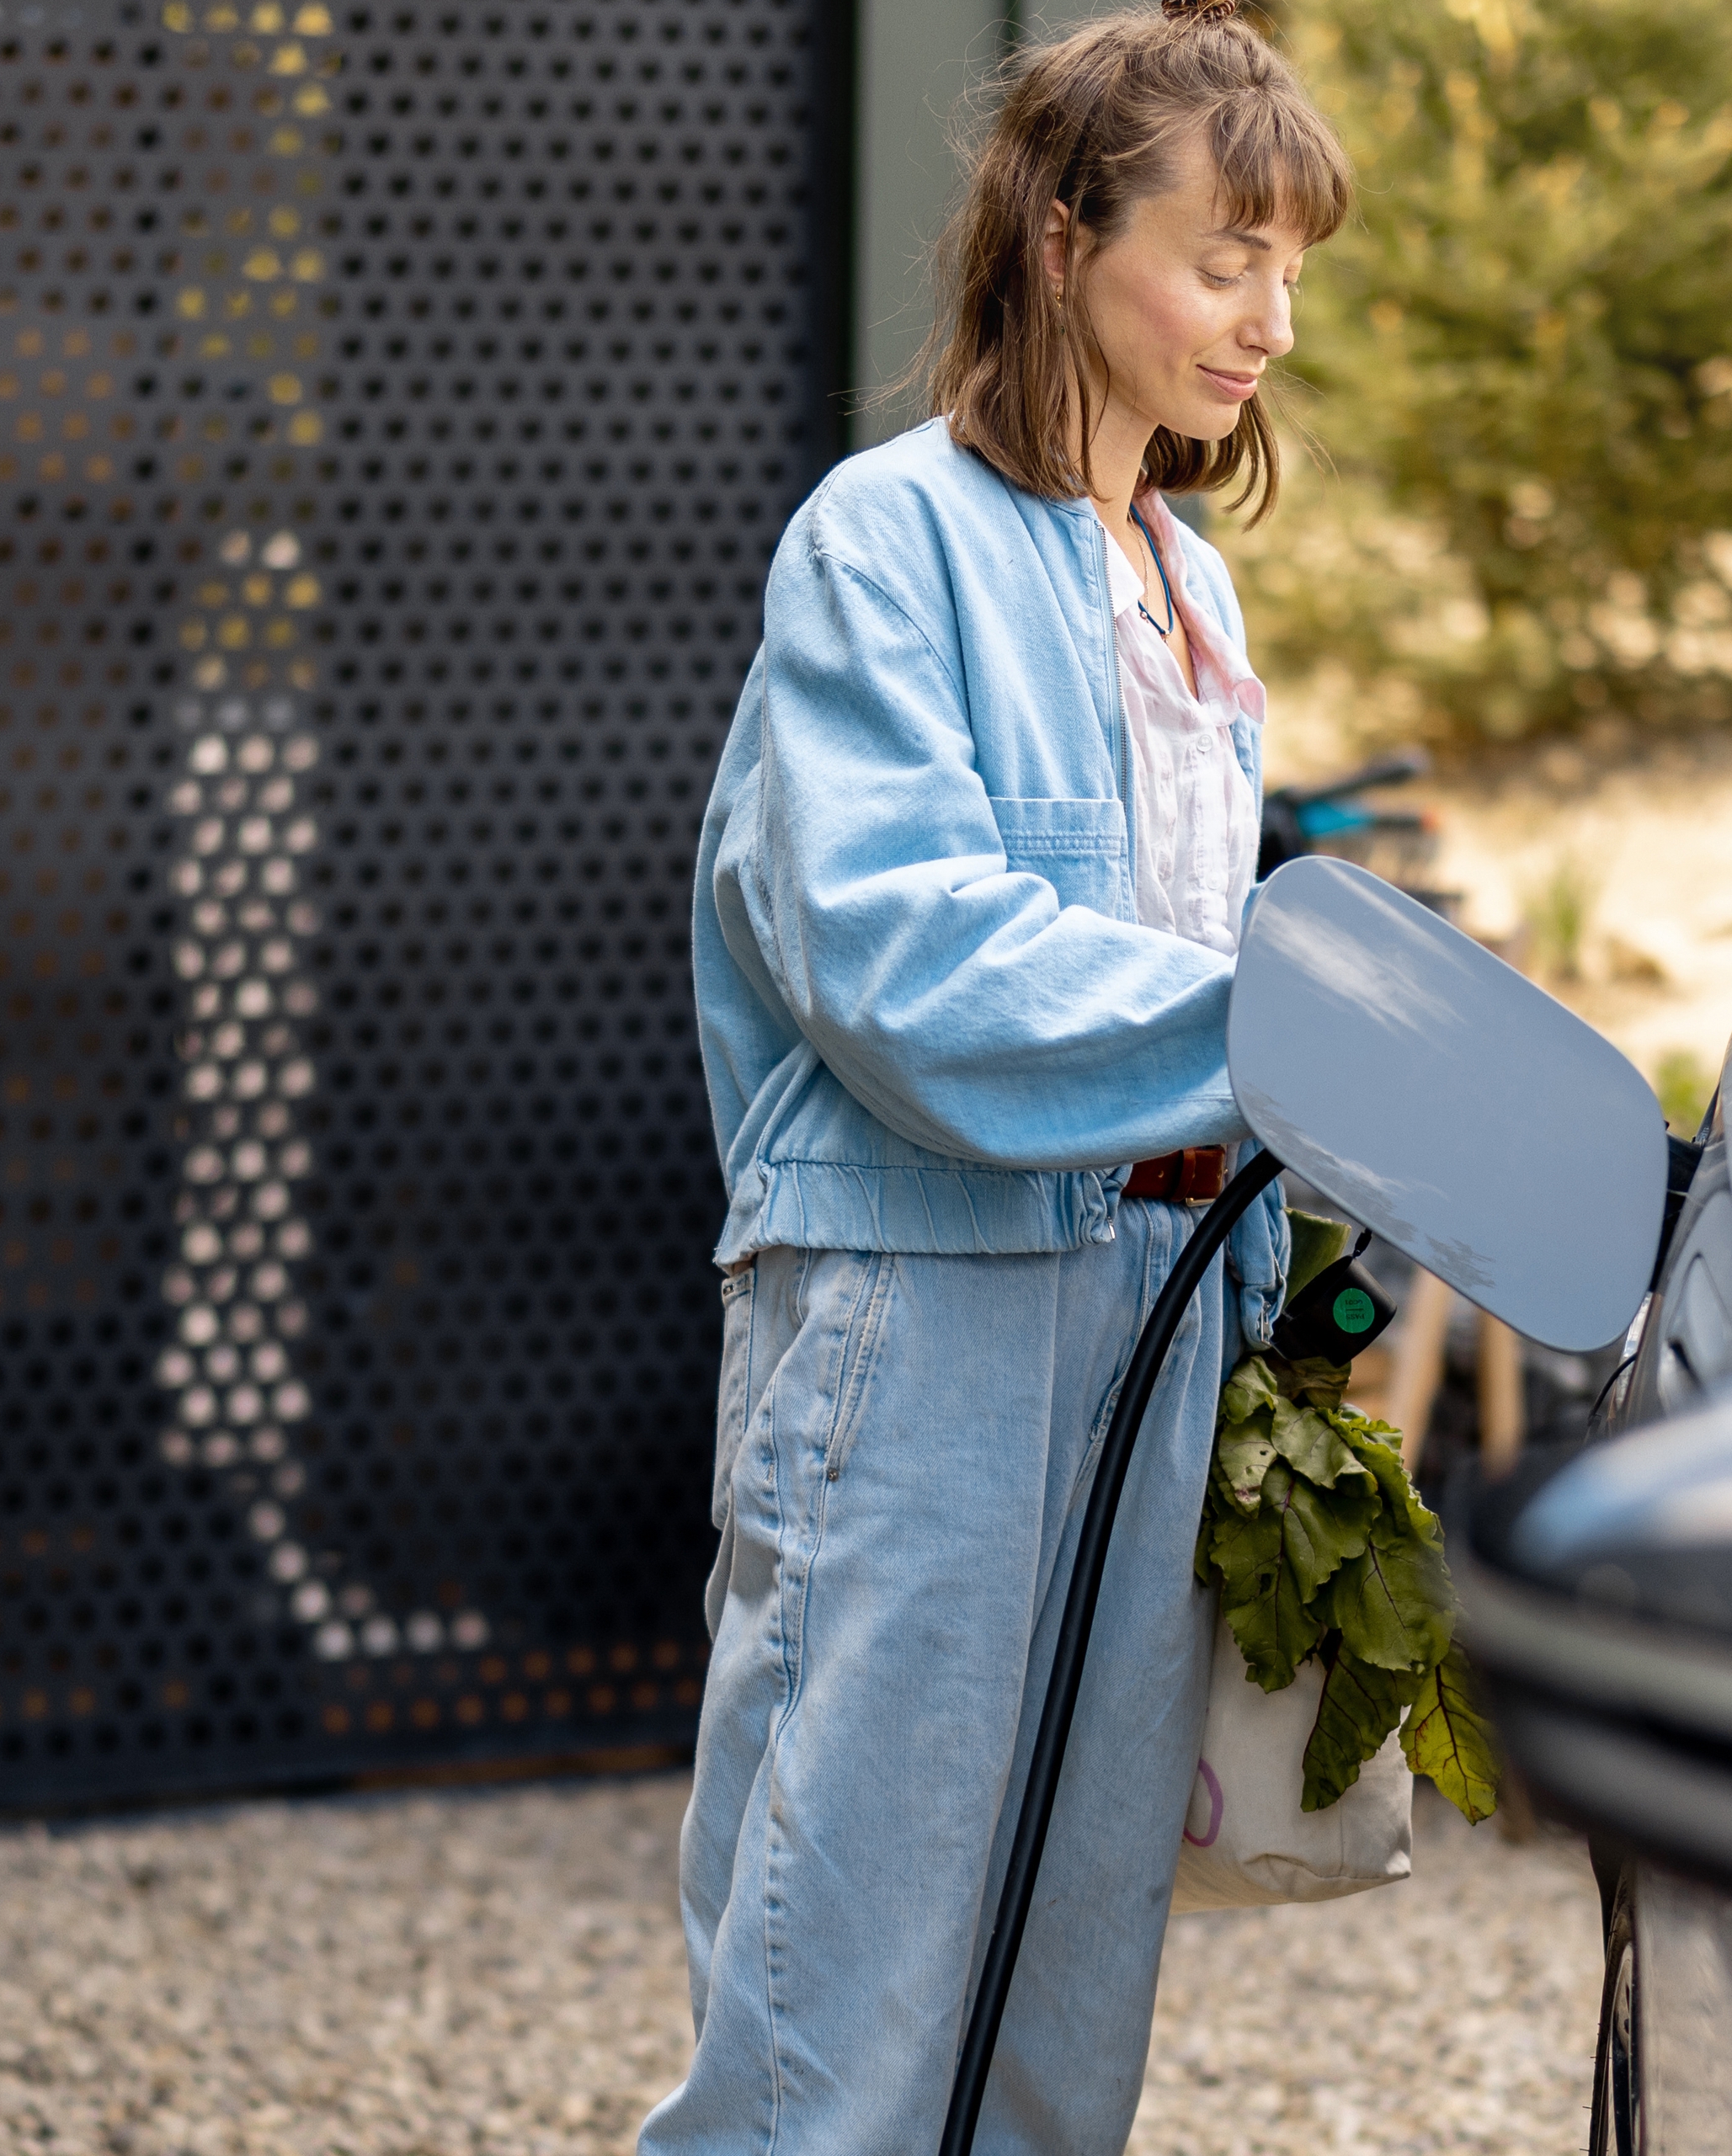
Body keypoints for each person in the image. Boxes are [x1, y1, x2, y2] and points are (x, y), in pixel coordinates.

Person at [642, 7, 1351, 2150]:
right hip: (918, 1313)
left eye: (1292, 264)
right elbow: (895, 952)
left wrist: (1297, 1273)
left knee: (1064, 2002)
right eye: (1224, 253)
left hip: (1141, 1329)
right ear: (1062, 238)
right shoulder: (889, 540)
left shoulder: (1189, 584)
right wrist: (1292, 1038)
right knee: (834, 2001)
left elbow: (1199, 973)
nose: (1271, 316)